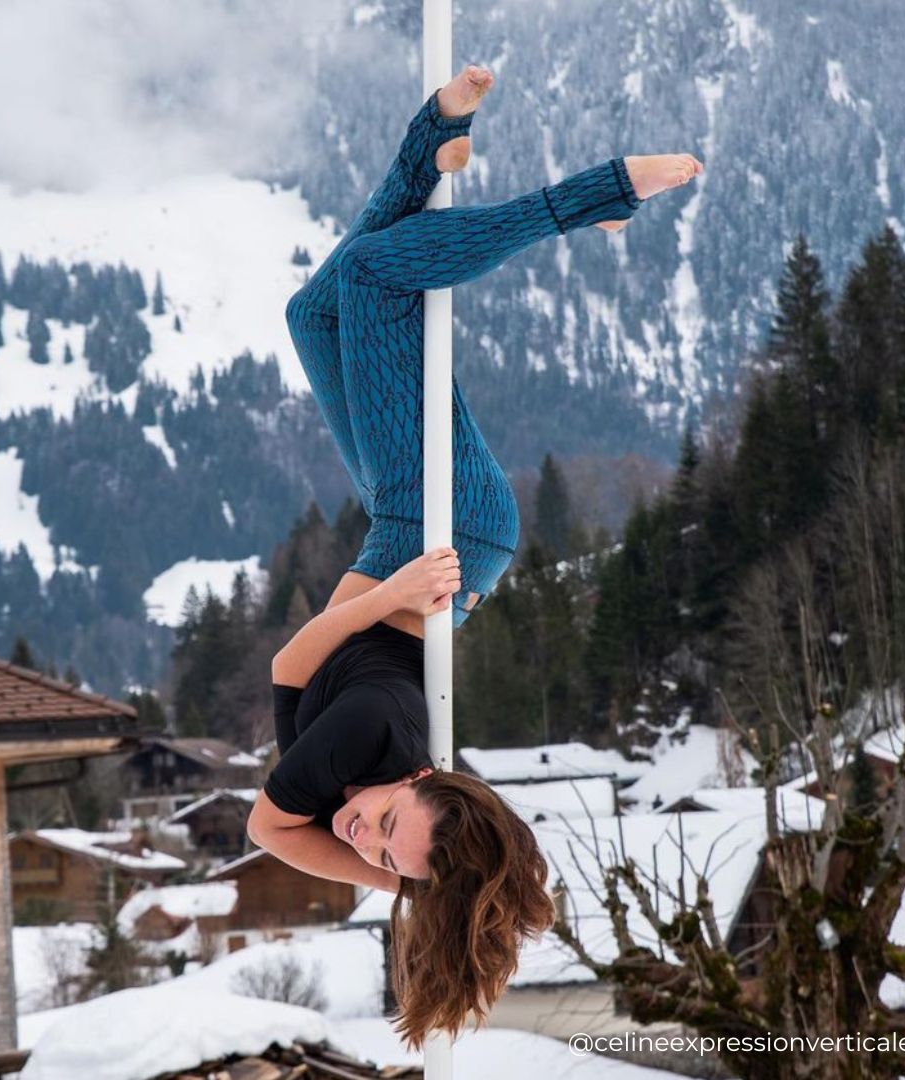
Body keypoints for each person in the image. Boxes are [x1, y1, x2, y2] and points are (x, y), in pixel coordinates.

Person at [247, 65, 703, 1050]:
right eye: (385, 822)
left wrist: (392, 877)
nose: (357, 829)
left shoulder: (341, 794)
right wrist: (396, 596)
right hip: (444, 527)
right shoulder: (366, 732)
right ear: (419, 782)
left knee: (314, 315)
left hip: (401, 534)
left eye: (378, 846)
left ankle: (434, 144)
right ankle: (599, 196)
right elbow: (278, 784)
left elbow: (286, 675)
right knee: (374, 279)